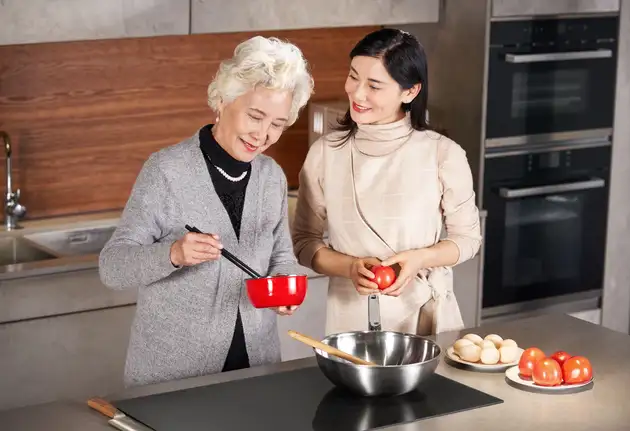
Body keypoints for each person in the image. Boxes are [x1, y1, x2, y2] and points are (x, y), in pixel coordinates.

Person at [99, 35, 314, 387]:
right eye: (255, 116)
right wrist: (173, 254)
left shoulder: (271, 176)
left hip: (256, 365)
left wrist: (284, 287)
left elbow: (281, 257)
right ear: (223, 100)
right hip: (173, 375)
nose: (263, 135)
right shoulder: (167, 171)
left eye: (277, 124)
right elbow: (113, 267)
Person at [291, 28, 481, 336]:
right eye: (354, 77)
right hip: (351, 322)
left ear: (410, 92)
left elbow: (468, 239)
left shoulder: (443, 153)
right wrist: (350, 268)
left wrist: (421, 259)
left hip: (426, 319)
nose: (357, 93)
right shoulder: (325, 153)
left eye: (374, 85)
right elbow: (304, 243)